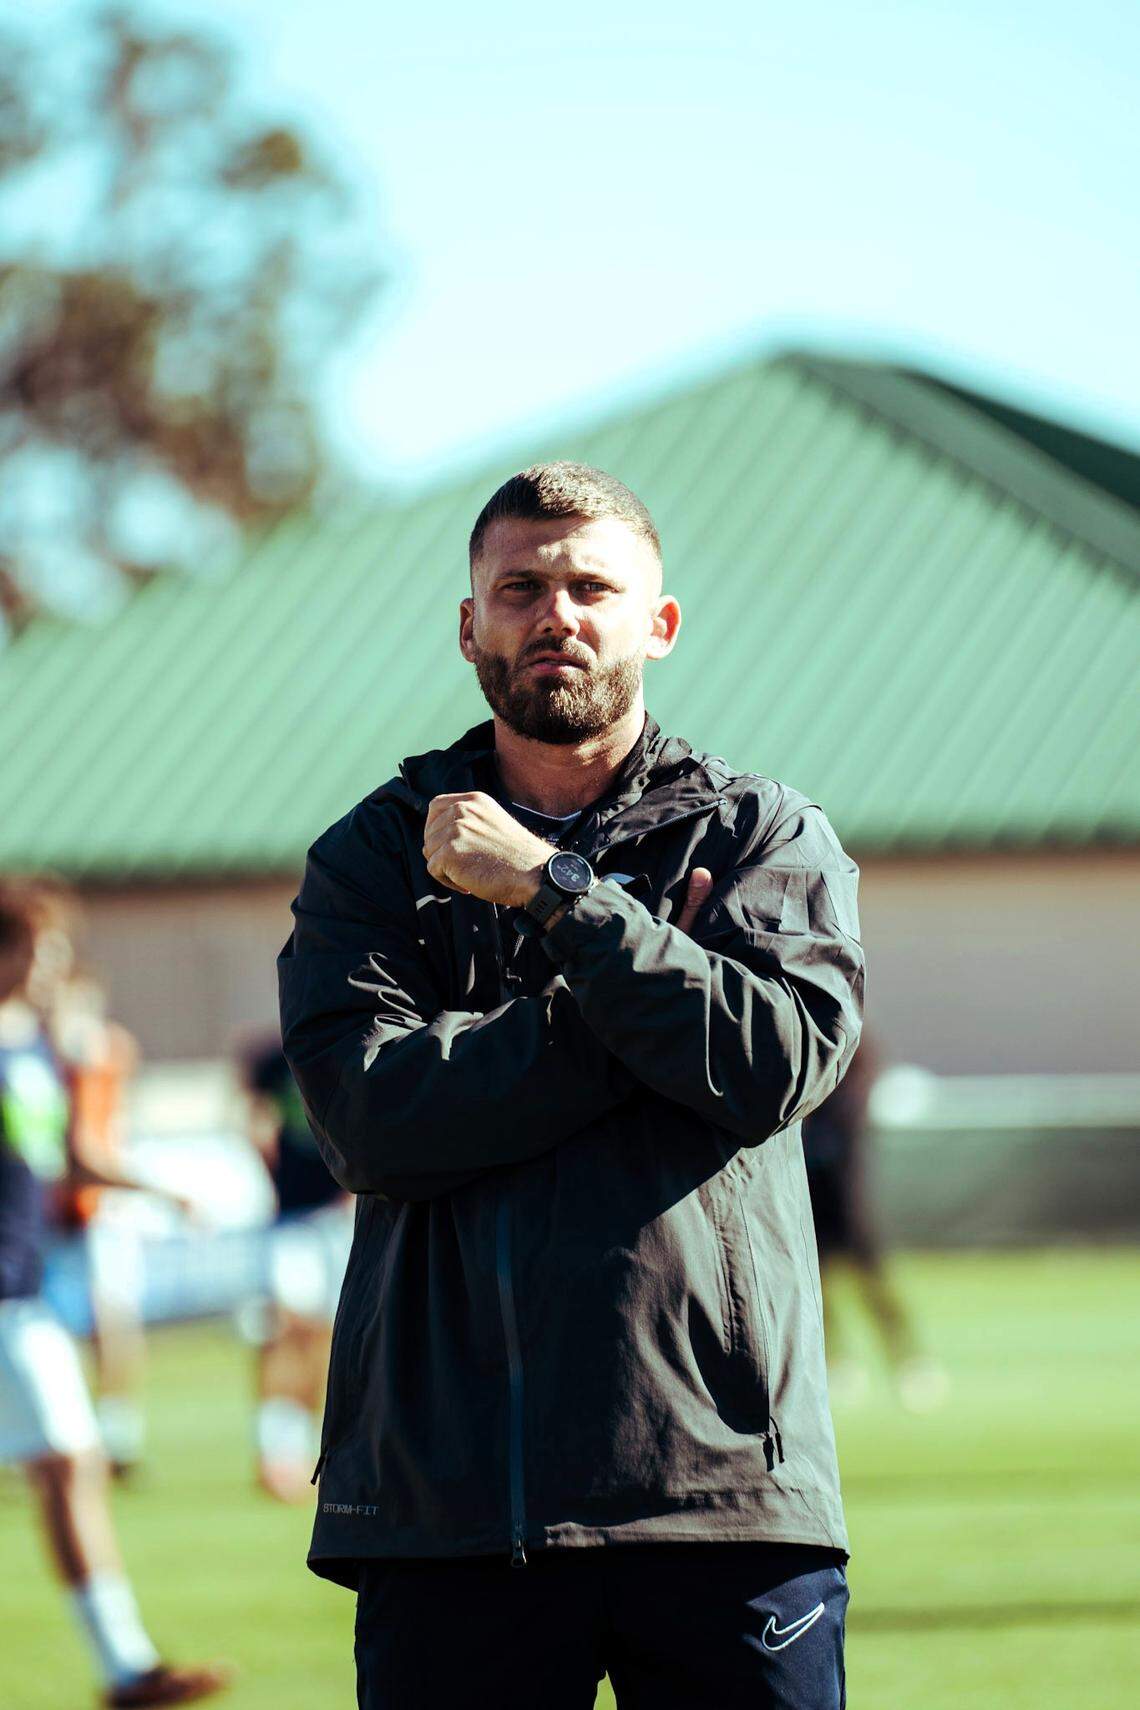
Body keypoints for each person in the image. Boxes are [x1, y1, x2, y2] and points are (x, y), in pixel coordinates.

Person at [279, 463, 865, 1710]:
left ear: (659, 623)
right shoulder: (377, 856)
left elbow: (770, 1064)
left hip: (720, 1493)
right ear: (469, 625)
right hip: (449, 1502)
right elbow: (373, 1123)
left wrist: (559, 898)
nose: (558, 614)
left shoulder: (758, 835)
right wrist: (643, 999)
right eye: (520, 589)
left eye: (593, 587)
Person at [0, 881, 231, 1707]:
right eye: (40, 950)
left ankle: (125, 1667)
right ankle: (125, 1668)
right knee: (70, 1461)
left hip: (23, 1295)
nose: (52, 967)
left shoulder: (34, 1049)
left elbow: (72, 1159)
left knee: (70, 1463)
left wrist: (160, 1191)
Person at [803, 1037, 948, 1412]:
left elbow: (853, 1114)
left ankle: (908, 1360)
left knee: (874, 1283)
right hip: (809, 1194)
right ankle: (835, 1362)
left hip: (845, 1197)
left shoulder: (853, 1062)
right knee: (816, 1288)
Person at [237, 1035, 352, 1501]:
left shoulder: (341, 1038)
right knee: (285, 1328)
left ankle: (300, 1444)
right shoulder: (272, 1057)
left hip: (337, 1216)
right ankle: (273, 1450)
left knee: (322, 1338)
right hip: (292, 1220)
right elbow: (255, 1121)